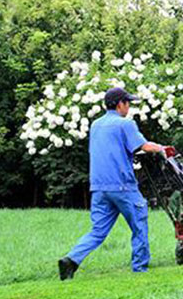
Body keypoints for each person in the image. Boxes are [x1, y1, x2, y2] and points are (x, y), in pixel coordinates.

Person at [58, 87, 166, 280]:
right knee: (139, 223)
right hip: (123, 186)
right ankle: (140, 269)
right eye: (128, 103)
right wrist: (162, 148)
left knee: (98, 231)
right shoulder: (125, 124)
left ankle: (71, 260)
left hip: (99, 187)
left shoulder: (96, 125)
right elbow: (145, 146)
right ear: (120, 104)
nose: (129, 107)